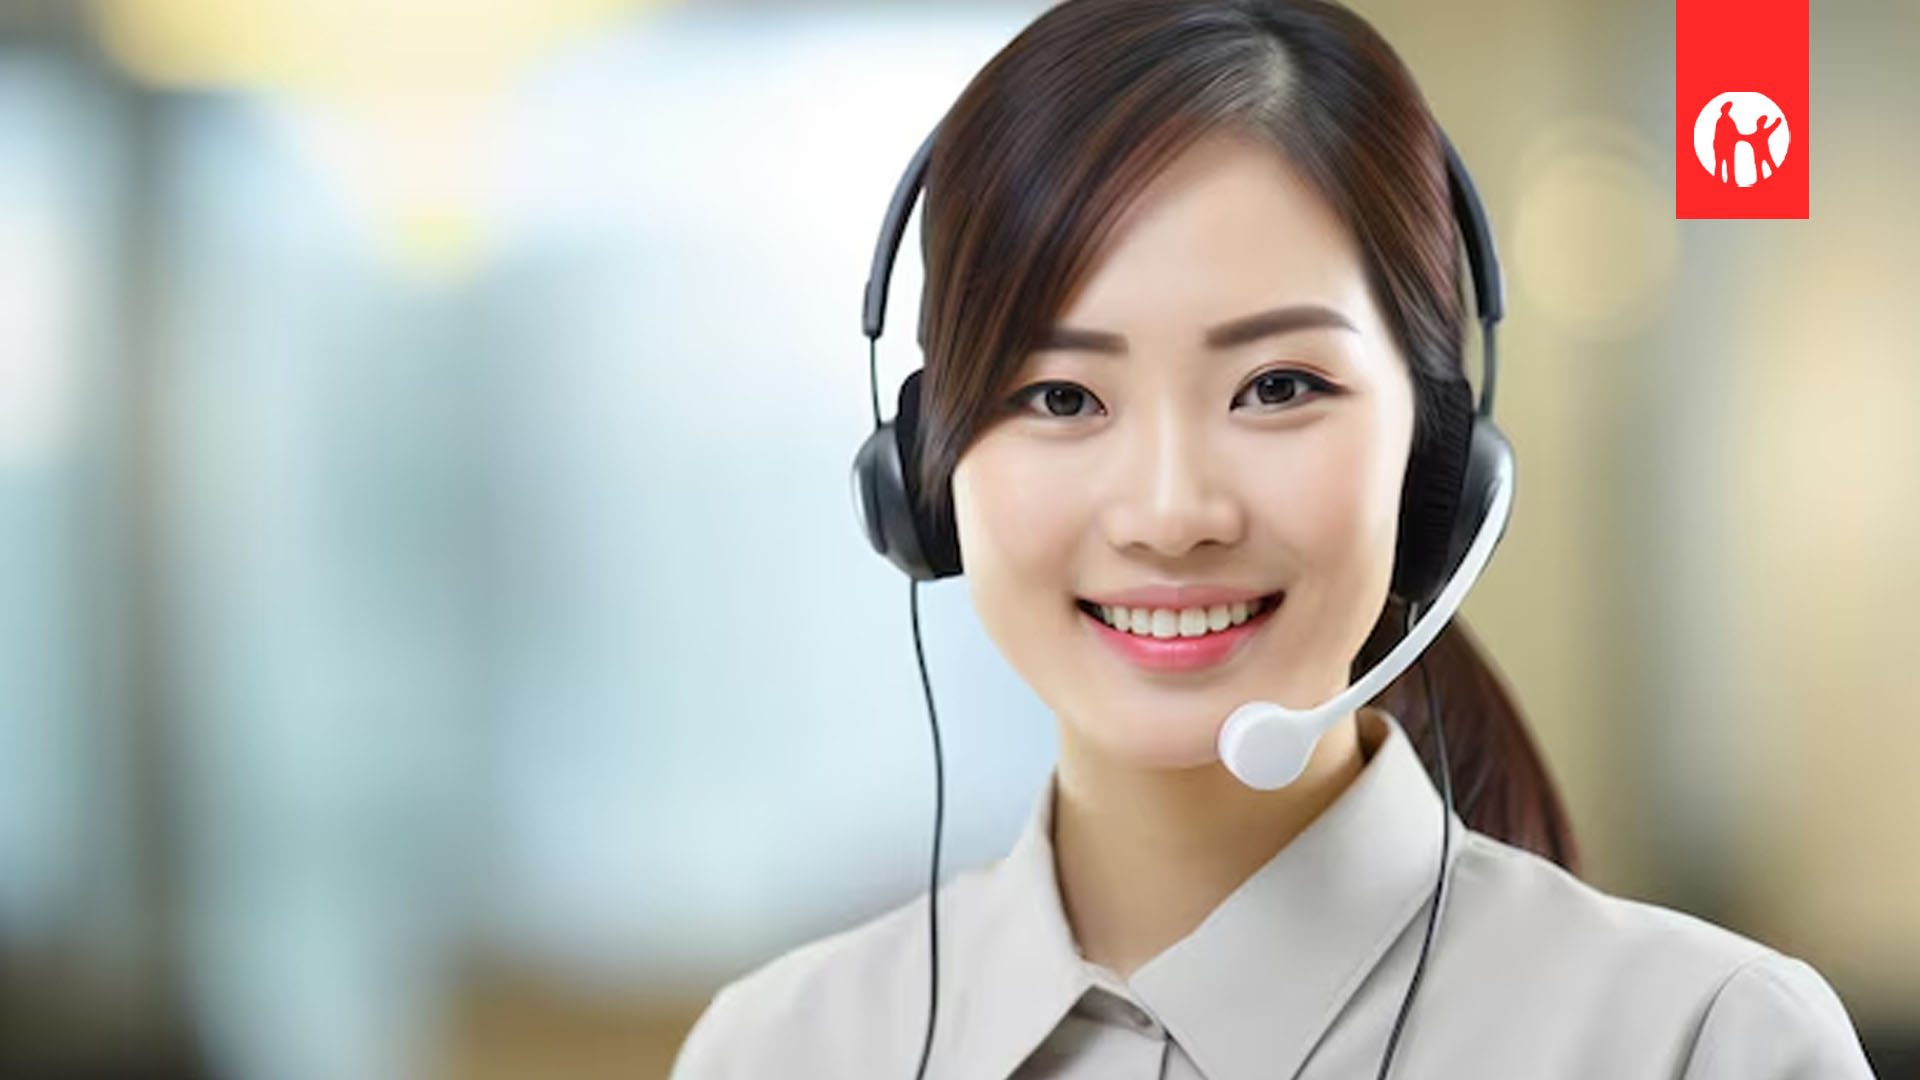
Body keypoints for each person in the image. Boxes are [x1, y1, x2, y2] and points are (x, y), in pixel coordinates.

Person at [671, 1, 1878, 1076]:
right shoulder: (782, 1048)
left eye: (1279, 387)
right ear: (925, 473)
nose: (1170, 513)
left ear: (1439, 457)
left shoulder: (1707, 1043)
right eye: (1060, 398)